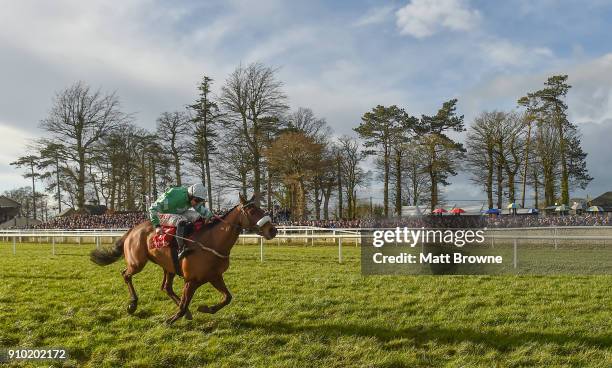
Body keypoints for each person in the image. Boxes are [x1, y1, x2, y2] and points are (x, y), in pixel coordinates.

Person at [149, 183, 213, 259]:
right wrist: (157, 226)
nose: (198, 203)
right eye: (197, 200)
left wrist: (210, 215)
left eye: (200, 201)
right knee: (182, 220)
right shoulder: (175, 197)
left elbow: (200, 208)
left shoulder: (192, 198)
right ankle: (181, 248)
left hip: (177, 212)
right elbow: (152, 209)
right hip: (160, 214)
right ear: (191, 195)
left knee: (198, 216)